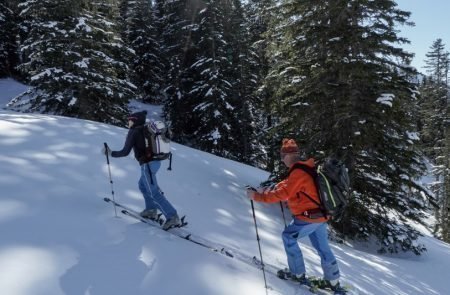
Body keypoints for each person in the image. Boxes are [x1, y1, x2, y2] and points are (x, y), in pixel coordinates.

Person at [246, 138, 345, 293]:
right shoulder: (305, 168)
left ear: (287, 156)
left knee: (288, 237)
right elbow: (287, 184)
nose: (281, 160)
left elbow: (284, 193)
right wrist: (268, 189)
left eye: (281, 156)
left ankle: (297, 273)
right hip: (321, 216)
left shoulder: (298, 172)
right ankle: (332, 280)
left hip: (308, 217)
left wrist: (257, 197)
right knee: (322, 247)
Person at [102, 110, 181, 230]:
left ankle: (172, 217)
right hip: (155, 163)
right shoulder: (145, 130)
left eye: (130, 120)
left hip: (147, 164)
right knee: (143, 186)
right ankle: (151, 210)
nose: (128, 123)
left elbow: (125, 152)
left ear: (135, 121)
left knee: (153, 191)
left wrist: (111, 153)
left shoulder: (134, 131)